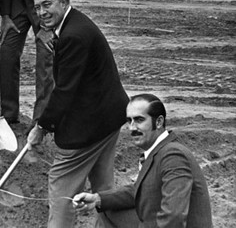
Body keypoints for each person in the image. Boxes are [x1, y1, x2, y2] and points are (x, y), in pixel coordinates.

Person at [27, 0, 129, 228]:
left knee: (61, 182)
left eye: (47, 4)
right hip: (109, 116)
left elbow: (64, 91)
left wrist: (41, 127)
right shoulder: (74, 24)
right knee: (103, 187)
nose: (41, 12)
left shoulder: (74, 35)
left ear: (64, 2)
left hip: (94, 122)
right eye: (38, 7)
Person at [73, 93, 213, 228]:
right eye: (129, 121)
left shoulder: (173, 155)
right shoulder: (158, 150)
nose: (132, 128)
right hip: (153, 220)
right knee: (107, 210)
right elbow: (141, 190)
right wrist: (97, 199)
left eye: (139, 120)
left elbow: (174, 217)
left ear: (158, 122)